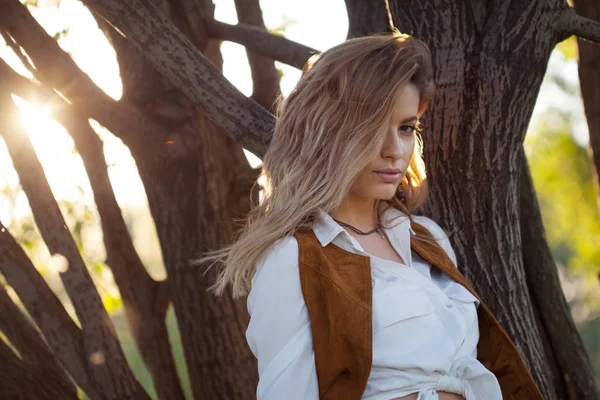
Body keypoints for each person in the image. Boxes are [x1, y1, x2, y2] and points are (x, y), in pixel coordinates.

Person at [204, 32, 542, 400]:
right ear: (328, 130)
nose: (394, 150)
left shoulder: (427, 238)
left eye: (406, 128)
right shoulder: (294, 259)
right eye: (374, 126)